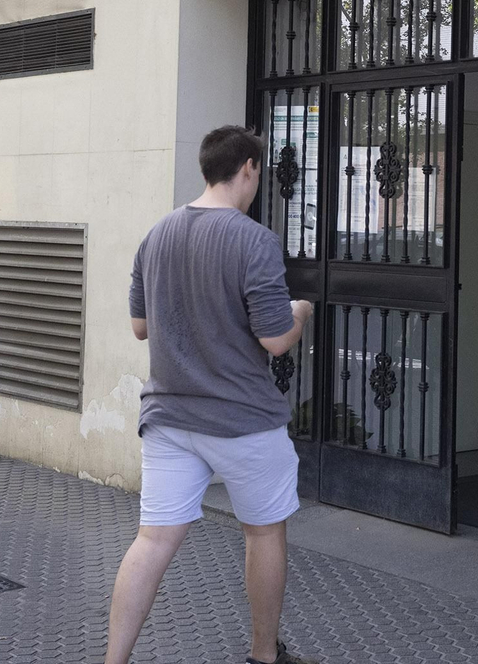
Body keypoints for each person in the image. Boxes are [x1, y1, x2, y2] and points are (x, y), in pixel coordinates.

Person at [105, 126, 314, 664]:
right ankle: (264, 655)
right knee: (264, 533)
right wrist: (300, 314)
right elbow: (274, 339)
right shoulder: (254, 240)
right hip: (244, 420)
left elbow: (139, 326)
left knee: (152, 542)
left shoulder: (157, 234)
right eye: (259, 171)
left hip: (169, 416)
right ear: (247, 167)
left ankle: (112, 662)